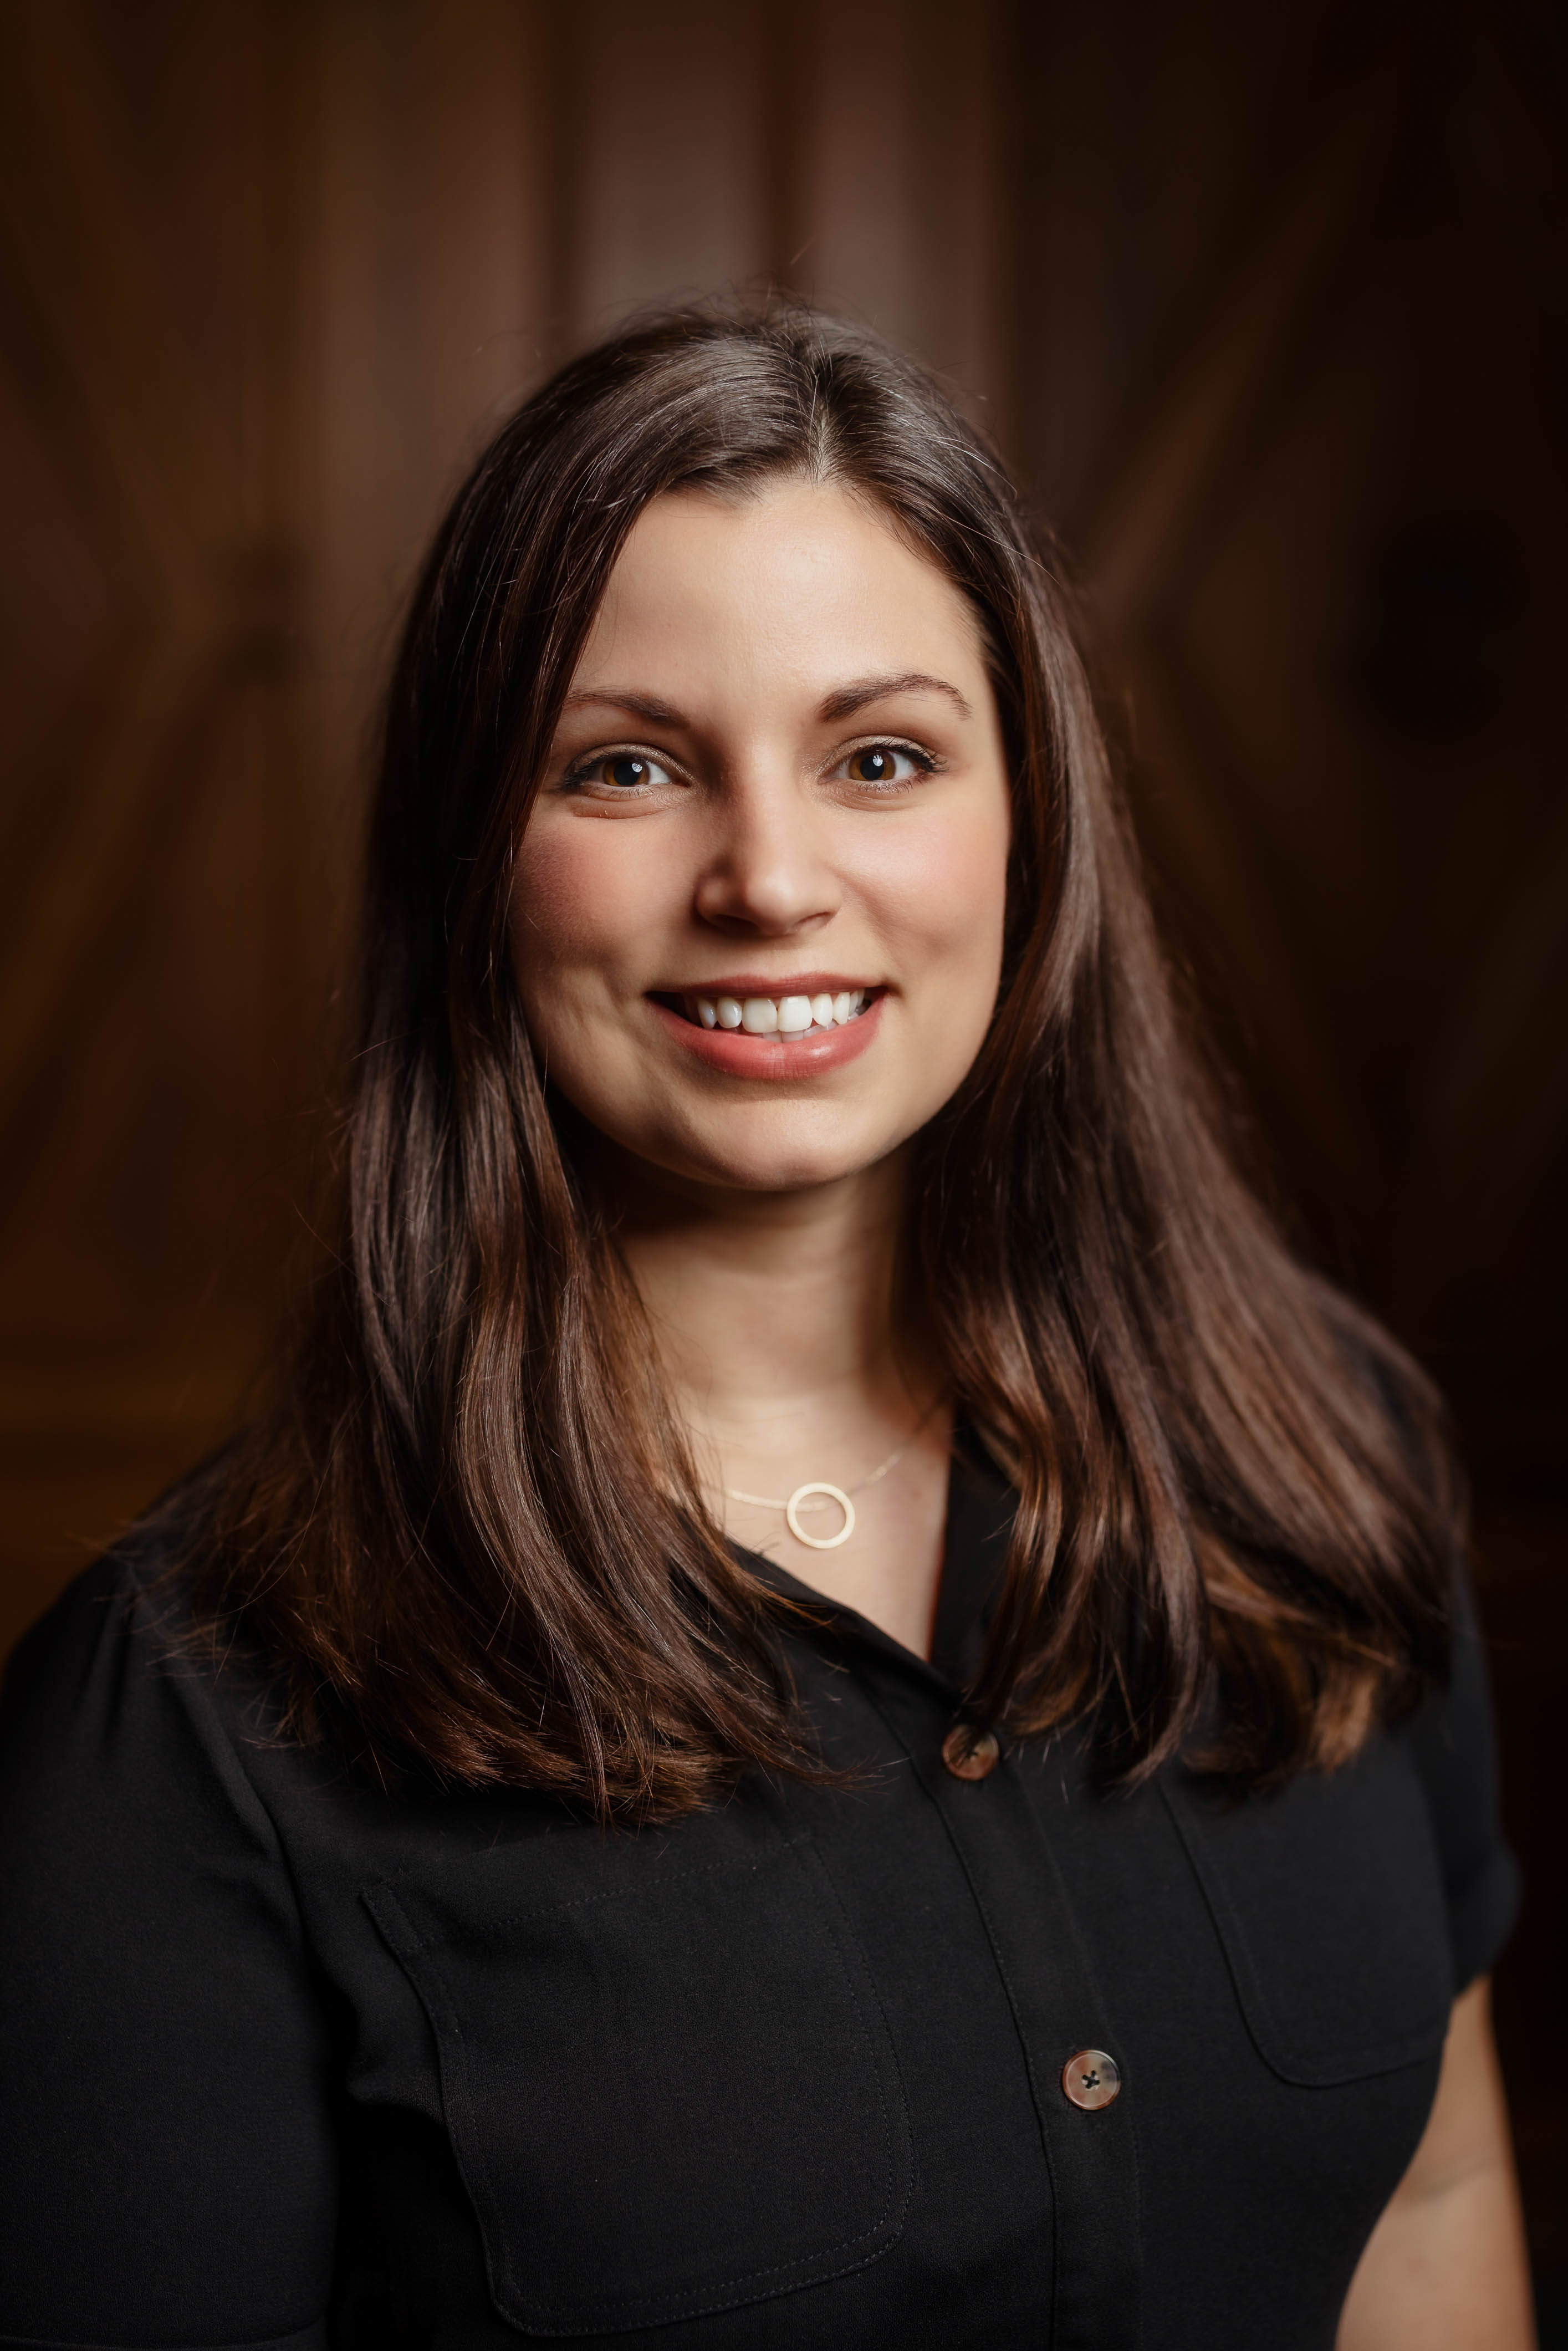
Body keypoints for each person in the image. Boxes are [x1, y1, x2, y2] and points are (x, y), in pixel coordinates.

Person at [0, 303, 1531, 2350]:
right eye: (626, 765)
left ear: (1028, 820)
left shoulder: (1321, 1455)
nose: (772, 877)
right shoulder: (183, 1726)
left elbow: (1432, 2202)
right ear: (475, 859)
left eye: (879, 754)